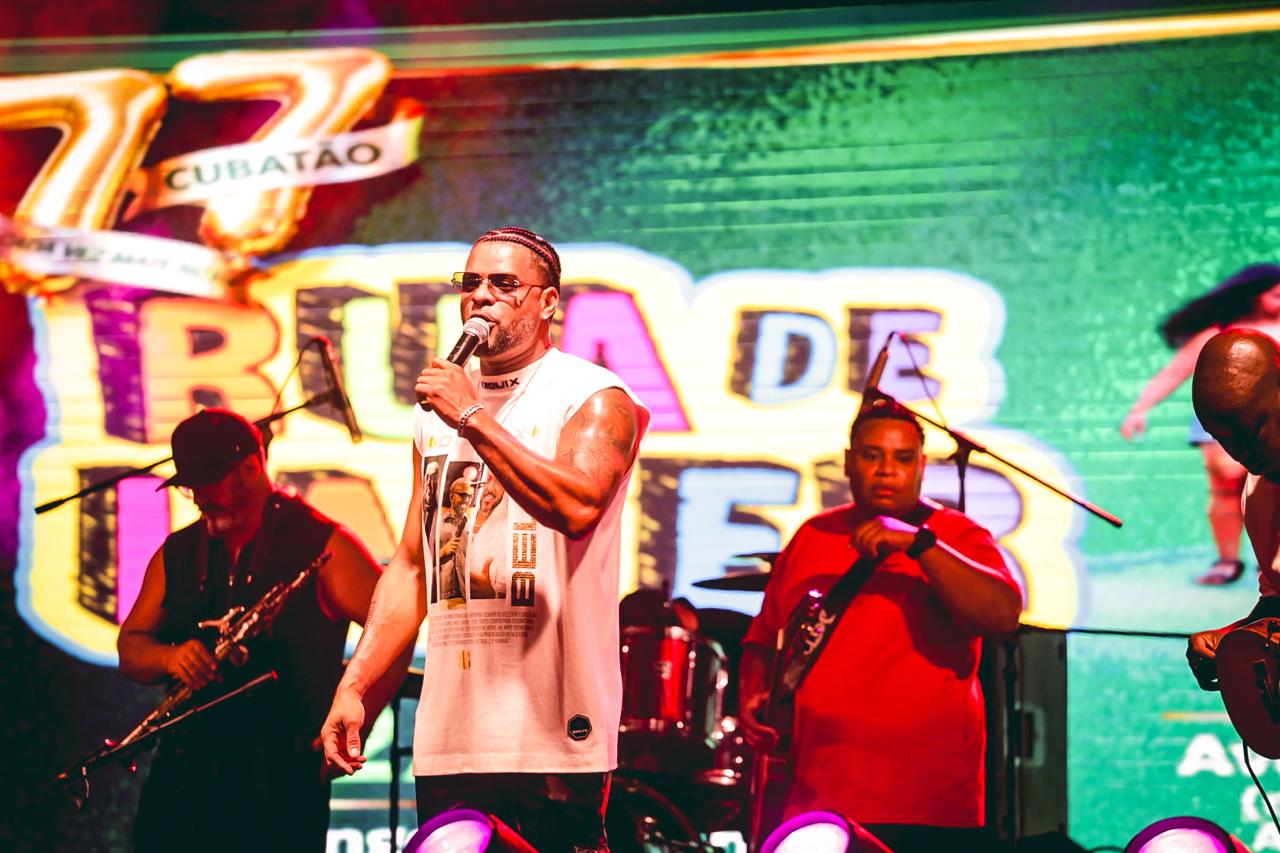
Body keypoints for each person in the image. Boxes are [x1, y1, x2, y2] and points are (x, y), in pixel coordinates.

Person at [319, 226, 650, 852]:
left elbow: (577, 505)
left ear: (547, 302)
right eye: (471, 282)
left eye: (504, 283)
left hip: (551, 732)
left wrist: (472, 418)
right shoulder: (436, 413)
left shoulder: (592, 395)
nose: (481, 295)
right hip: (451, 733)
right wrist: (355, 684)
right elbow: (413, 565)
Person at [737, 399, 1023, 853]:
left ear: (921, 467)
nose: (887, 470)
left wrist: (920, 546)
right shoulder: (812, 536)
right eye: (872, 456)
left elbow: (1002, 615)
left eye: (902, 458)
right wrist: (753, 692)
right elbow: (762, 640)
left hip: (927, 802)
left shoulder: (956, 535)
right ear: (849, 462)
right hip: (816, 798)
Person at [117, 407, 408, 852]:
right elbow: (130, 648)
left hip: (280, 778)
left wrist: (359, 722)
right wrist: (169, 657)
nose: (198, 497)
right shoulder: (177, 552)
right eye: (190, 485)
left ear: (251, 469)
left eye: (207, 482)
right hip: (183, 775)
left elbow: (397, 628)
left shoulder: (323, 545)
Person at [1121, 264, 1280, 584]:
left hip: (1274, 420)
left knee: (1272, 487)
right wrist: (1140, 409)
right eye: (1276, 293)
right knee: (1226, 486)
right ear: (1255, 294)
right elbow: (1174, 372)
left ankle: (1271, 562)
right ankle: (1227, 560)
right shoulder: (1220, 332)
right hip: (1226, 419)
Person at [1186, 330, 1280, 692]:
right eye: (1222, 438)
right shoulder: (1258, 490)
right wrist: (1230, 638)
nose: (1239, 453)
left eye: (1251, 431)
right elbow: (1276, 602)